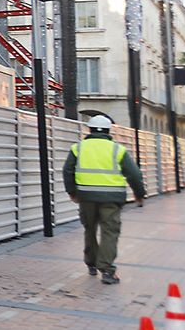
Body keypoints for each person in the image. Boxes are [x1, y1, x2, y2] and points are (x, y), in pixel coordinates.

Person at [63, 113, 147, 285]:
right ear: (109, 131)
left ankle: (91, 264)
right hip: (111, 198)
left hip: (86, 197)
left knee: (90, 229)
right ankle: (107, 271)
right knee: (110, 232)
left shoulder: (78, 148)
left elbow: (67, 171)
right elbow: (134, 174)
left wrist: (72, 192)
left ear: (89, 130)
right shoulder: (118, 149)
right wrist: (139, 194)